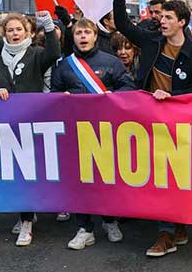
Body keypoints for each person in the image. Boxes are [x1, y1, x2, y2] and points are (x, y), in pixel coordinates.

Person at [112, 0, 192, 258]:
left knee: (176, 173)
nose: (161, 21)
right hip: (150, 118)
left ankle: (175, 227)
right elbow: (123, 26)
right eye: (161, 17)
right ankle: (166, 232)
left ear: (182, 22)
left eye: (168, 18)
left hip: (180, 120)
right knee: (159, 174)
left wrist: (173, 96)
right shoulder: (152, 42)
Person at [51, 18, 134, 250]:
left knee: (106, 179)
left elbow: (129, 87)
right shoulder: (65, 66)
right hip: (75, 133)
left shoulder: (111, 62)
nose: (83, 37)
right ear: (73, 37)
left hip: (105, 131)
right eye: (79, 33)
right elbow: (54, 93)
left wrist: (110, 95)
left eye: (87, 32)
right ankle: (84, 228)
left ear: (96, 35)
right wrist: (61, 97)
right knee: (79, 182)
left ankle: (109, 220)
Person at [0, 10, 59, 246]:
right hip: (9, 125)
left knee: (29, 172)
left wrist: (48, 27)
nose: (15, 34)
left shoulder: (36, 54)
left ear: (27, 32)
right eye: (10, 30)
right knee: (17, 173)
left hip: (33, 122)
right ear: (4, 33)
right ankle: (26, 213)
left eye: (19, 29)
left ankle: (27, 222)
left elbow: (53, 53)